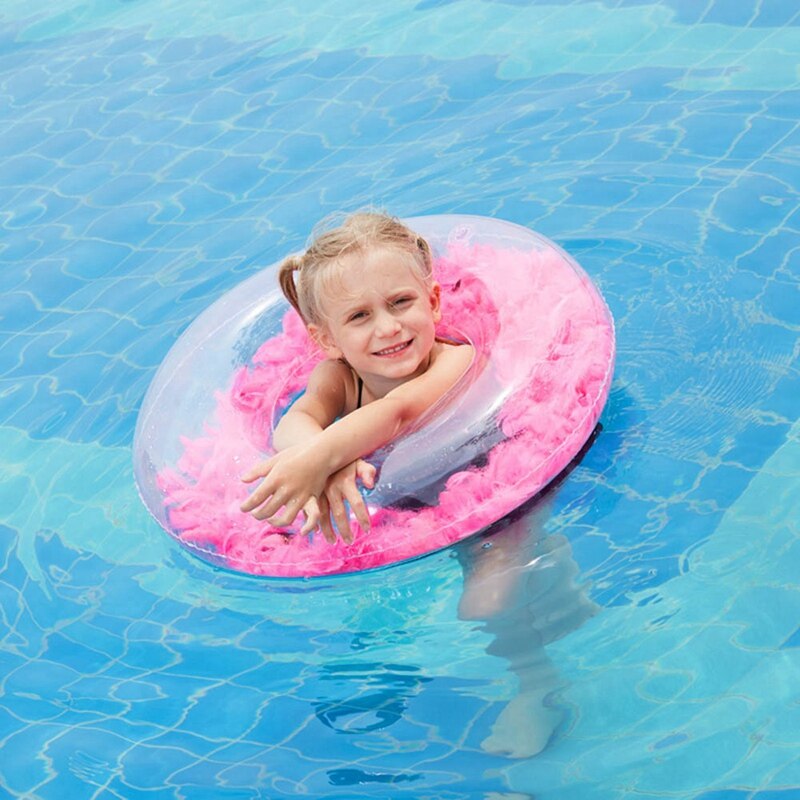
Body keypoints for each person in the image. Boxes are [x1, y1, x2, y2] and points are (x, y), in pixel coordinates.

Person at [240, 212, 474, 543]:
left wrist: (322, 456)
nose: (388, 328)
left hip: (472, 485)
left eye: (401, 302)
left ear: (433, 302)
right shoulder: (340, 378)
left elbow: (397, 411)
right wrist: (330, 465)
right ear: (328, 340)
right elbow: (297, 419)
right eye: (360, 316)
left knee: (493, 574)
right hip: (398, 509)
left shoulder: (456, 359)